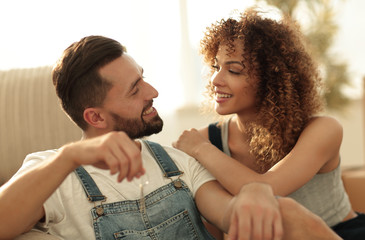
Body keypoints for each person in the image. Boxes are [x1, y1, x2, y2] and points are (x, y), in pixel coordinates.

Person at [0, 35, 341, 240]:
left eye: (143, 78)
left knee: (288, 213)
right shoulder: (52, 172)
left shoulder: (177, 161)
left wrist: (253, 195)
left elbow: (228, 214)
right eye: (136, 90)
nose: (153, 92)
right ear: (96, 117)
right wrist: (71, 157)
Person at [172, 7, 365, 240]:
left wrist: (200, 149)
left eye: (233, 70)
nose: (215, 79)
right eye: (216, 66)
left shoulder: (324, 129)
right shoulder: (208, 140)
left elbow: (266, 190)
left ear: (271, 77)